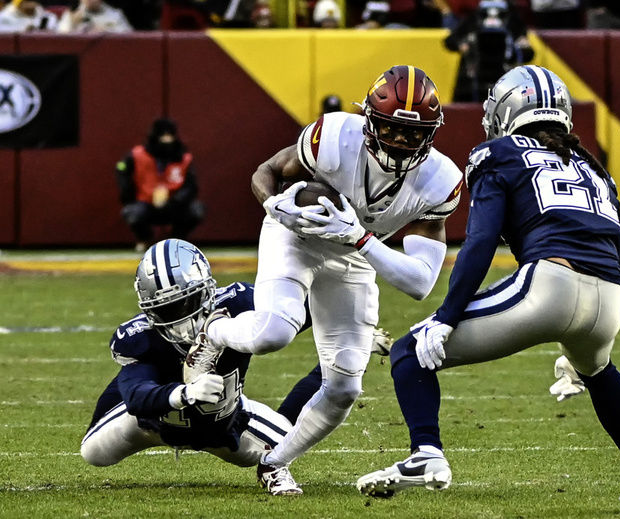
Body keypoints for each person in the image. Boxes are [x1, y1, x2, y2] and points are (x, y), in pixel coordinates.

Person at [356, 65, 620, 515]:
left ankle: (426, 453)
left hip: (550, 283)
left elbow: (481, 241)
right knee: (598, 372)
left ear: (506, 110)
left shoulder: (499, 153)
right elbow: (616, 251)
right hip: (611, 297)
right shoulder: (597, 168)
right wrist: (589, 338)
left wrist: (446, 317)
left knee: (410, 352)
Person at [186, 65, 463, 496]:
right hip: (298, 237)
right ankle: (215, 330)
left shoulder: (439, 181)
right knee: (274, 331)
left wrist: (361, 238)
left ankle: (275, 462)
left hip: (354, 256)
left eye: (414, 133)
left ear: (432, 132)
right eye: (391, 129)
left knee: (344, 386)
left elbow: (420, 283)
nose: (401, 142)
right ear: (370, 119)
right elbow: (267, 171)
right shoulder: (333, 137)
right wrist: (274, 207)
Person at [81, 239, 393, 469]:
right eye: (165, 310)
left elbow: (300, 314)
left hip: (224, 422)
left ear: (206, 291)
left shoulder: (238, 304)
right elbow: (136, 394)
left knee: (287, 444)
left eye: (185, 304)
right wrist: (182, 394)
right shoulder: (139, 338)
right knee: (93, 454)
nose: (178, 319)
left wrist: (354, 339)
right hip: (150, 425)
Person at [116, 118, 204, 252]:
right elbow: (121, 168)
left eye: (169, 135)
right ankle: (145, 239)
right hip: (146, 202)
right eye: (163, 135)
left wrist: (177, 199)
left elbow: (191, 185)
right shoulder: (138, 154)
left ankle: (177, 241)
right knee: (132, 212)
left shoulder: (184, 157)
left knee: (196, 210)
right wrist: (128, 194)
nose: (166, 140)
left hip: (174, 204)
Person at [444, 0, 533, 102]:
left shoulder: (513, 20)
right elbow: (450, 41)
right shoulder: (474, 18)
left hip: (505, 83)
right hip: (472, 82)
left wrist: (522, 47)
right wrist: (463, 45)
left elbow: (528, 53)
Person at [57, 0, 133, 34]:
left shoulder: (115, 15)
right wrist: (72, 24)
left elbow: (128, 36)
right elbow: (61, 37)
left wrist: (106, 32)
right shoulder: (71, 15)